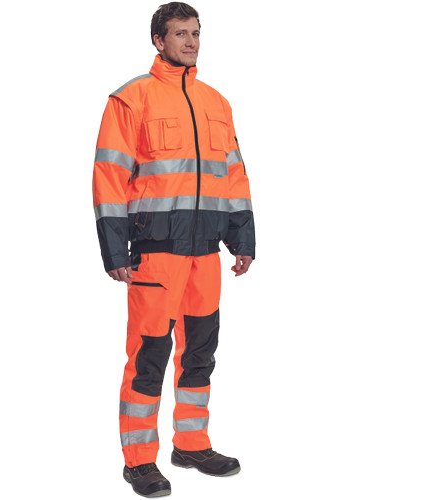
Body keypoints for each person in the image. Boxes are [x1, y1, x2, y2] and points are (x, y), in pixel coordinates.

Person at [92, 2, 255, 497]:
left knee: (200, 353)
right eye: (180, 33)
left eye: (196, 33)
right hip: (155, 252)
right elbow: (109, 176)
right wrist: (115, 250)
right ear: (158, 40)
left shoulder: (216, 102)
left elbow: (234, 175)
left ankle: (192, 444)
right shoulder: (131, 99)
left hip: (206, 252)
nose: (191, 41)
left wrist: (242, 238)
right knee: (149, 355)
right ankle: (139, 459)